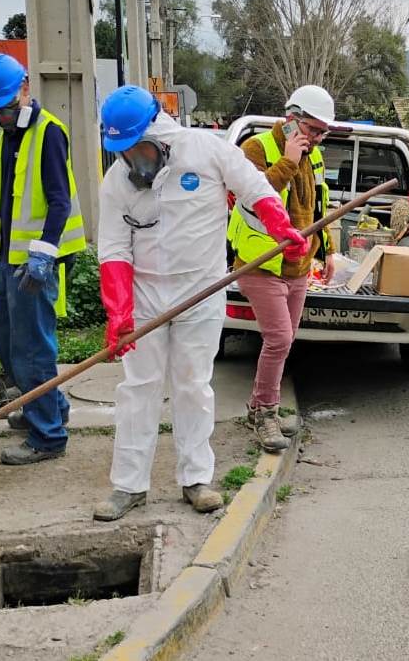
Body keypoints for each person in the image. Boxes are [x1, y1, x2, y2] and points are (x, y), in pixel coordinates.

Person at [93, 86, 307, 521]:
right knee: (139, 390)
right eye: (123, 152)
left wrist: (281, 228)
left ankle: (196, 479)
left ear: (158, 133)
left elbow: (255, 189)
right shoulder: (117, 181)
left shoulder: (208, 152)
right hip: (146, 295)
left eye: (136, 149)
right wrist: (119, 311)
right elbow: (114, 248)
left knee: (193, 384)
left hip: (201, 289)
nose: (130, 160)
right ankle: (129, 485)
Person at [0, 53, 86, 465]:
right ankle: (49, 406)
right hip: (6, 257)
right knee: (8, 343)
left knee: (32, 350)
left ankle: (48, 436)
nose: (2, 117)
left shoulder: (49, 132)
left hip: (33, 263)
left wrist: (43, 257)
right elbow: (8, 202)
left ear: (26, 89)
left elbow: (59, 201)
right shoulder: (7, 134)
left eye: (8, 108)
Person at [228, 85, 336, 453]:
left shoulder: (315, 156)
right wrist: (289, 161)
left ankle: (259, 405)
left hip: (299, 265)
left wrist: (329, 250)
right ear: (292, 119)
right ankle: (265, 414)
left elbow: (319, 205)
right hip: (262, 262)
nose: (318, 138)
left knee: (285, 340)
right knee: (279, 339)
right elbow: (256, 198)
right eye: (313, 129)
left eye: (323, 132)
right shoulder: (257, 149)